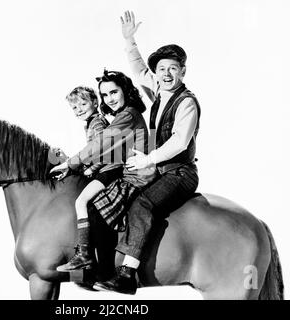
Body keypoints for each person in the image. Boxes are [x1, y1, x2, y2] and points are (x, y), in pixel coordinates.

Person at [92, 11, 201, 294]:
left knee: (142, 205)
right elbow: (140, 70)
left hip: (179, 172)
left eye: (173, 68)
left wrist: (147, 159)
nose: (166, 74)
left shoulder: (187, 102)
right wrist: (129, 41)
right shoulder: (158, 91)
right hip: (158, 169)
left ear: (183, 71)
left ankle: (127, 275)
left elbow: (179, 143)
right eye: (162, 69)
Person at [50, 70, 156, 273]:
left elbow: (102, 145)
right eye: (105, 95)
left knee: (88, 205)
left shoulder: (126, 115)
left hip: (133, 176)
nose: (109, 99)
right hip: (125, 170)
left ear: (125, 90)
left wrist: (72, 164)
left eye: (114, 92)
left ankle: (96, 264)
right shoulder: (123, 115)